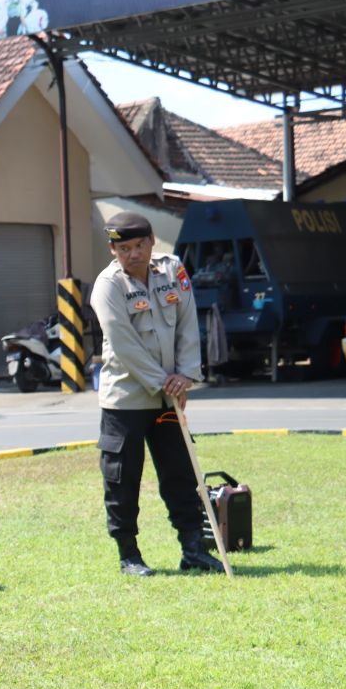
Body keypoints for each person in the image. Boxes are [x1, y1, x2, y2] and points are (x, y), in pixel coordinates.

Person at [90, 211, 224, 576]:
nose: (133, 254)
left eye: (139, 245)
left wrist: (186, 376)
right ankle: (129, 555)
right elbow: (123, 344)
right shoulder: (108, 285)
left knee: (181, 472)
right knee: (122, 477)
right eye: (124, 248)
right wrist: (167, 381)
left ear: (151, 242)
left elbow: (187, 324)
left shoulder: (172, 270)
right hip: (127, 399)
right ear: (113, 249)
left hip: (169, 397)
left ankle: (193, 549)